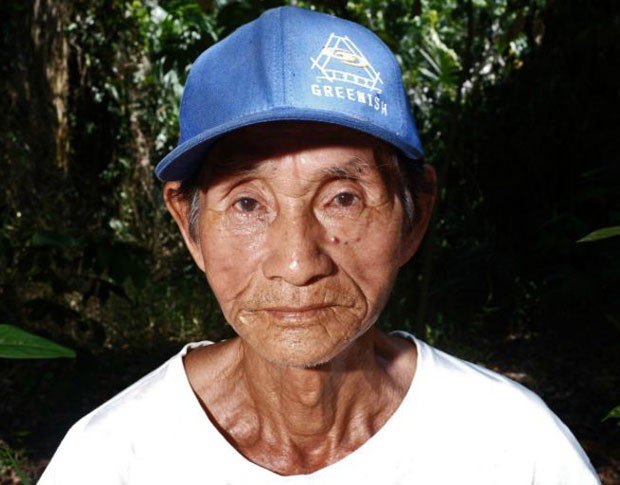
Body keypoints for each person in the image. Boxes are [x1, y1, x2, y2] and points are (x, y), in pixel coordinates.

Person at [38, 6, 599, 484]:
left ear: (414, 215)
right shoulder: (111, 459)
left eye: (343, 199)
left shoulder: (513, 449)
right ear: (190, 227)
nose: (297, 263)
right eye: (248, 204)